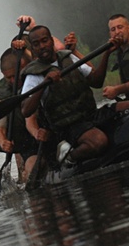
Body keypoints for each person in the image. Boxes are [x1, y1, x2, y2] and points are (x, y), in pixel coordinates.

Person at [20, 25, 110, 169]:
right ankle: (68, 156)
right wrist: (44, 84)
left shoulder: (68, 57)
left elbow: (97, 82)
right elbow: (25, 110)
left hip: (90, 115)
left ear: (51, 41)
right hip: (68, 127)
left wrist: (107, 53)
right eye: (36, 44)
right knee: (99, 142)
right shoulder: (33, 75)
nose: (42, 46)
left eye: (45, 41)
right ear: (33, 48)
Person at [0, 48, 40, 183]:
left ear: (24, 67)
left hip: (52, 133)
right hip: (30, 145)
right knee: (31, 171)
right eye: (8, 77)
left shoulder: (38, 75)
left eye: (14, 76)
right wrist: (3, 142)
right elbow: (0, 127)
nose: (12, 80)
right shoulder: (3, 94)